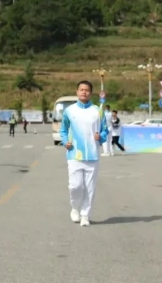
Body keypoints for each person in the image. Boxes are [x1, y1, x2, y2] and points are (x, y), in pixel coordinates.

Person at [59, 80, 108, 227]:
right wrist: (64, 141)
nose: (84, 92)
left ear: (90, 93)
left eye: (87, 90)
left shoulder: (97, 111)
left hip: (92, 155)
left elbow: (105, 130)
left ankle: (85, 214)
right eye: (81, 89)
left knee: (90, 187)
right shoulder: (69, 111)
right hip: (74, 154)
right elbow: (63, 130)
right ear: (77, 92)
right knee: (75, 186)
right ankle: (74, 207)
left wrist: (101, 137)